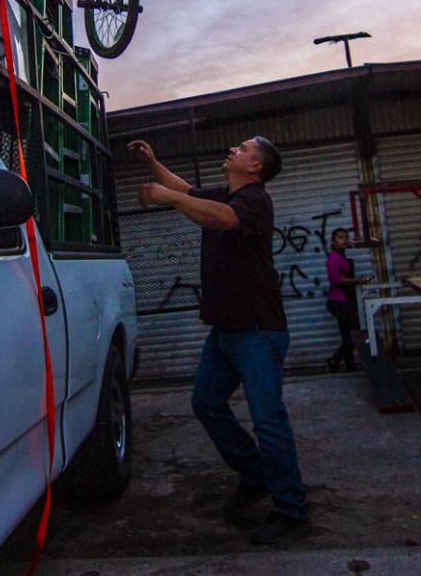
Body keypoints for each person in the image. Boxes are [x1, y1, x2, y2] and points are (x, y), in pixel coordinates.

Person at [129, 135, 311, 545]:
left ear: (255, 168)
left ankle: (293, 512)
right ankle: (255, 473)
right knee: (206, 403)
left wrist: (168, 199)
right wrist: (153, 162)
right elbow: (185, 190)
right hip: (226, 331)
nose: (233, 149)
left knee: (269, 421)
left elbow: (222, 218)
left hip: (259, 332)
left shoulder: (254, 202)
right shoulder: (226, 194)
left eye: (244, 149)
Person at [324, 227, 363, 373]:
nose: (344, 240)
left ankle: (349, 365)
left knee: (348, 335)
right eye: (340, 237)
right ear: (333, 241)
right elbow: (336, 280)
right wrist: (356, 280)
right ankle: (335, 360)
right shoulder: (334, 258)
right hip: (339, 302)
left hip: (344, 301)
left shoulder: (341, 256)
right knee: (352, 334)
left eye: (345, 237)